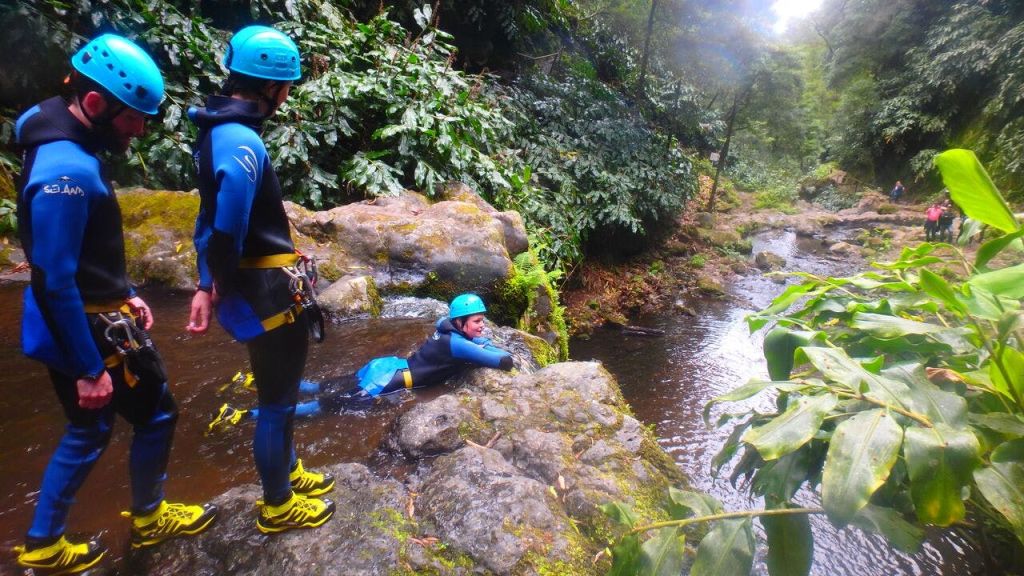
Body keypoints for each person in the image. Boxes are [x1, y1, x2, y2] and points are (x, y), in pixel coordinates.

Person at [13, 34, 216, 573]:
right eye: (134, 119)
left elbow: (74, 256)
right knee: (156, 415)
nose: (140, 130)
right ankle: (148, 517)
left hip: (82, 312)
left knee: (89, 430)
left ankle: (43, 541)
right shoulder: (69, 173)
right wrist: (88, 368)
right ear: (97, 105)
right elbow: (53, 277)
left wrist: (124, 291)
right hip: (83, 325)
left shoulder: (50, 125)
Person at [185, 25, 335, 534]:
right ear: (273, 87)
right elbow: (225, 224)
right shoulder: (242, 142)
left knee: (279, 390)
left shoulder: (214, 131)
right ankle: (277, 504)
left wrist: (209, 282)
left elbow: (207, 222)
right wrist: (218, 281)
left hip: (253, 286)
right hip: (266, 291)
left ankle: (287, 471)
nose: (287, 95)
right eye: (287, 86)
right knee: (277, 401)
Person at [209, 294, 515, 428]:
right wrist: (487, 345)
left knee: (318, 386)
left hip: (385, 365)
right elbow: (503, 361)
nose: (482, 326)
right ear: (460, 322)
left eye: (482, 321)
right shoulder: (460, 345)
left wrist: (480, 338)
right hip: (386, 382)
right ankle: (241, 416)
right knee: (321, 406)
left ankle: (251, 381)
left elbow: (474, 343)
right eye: (477, 322)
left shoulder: (445, 328)